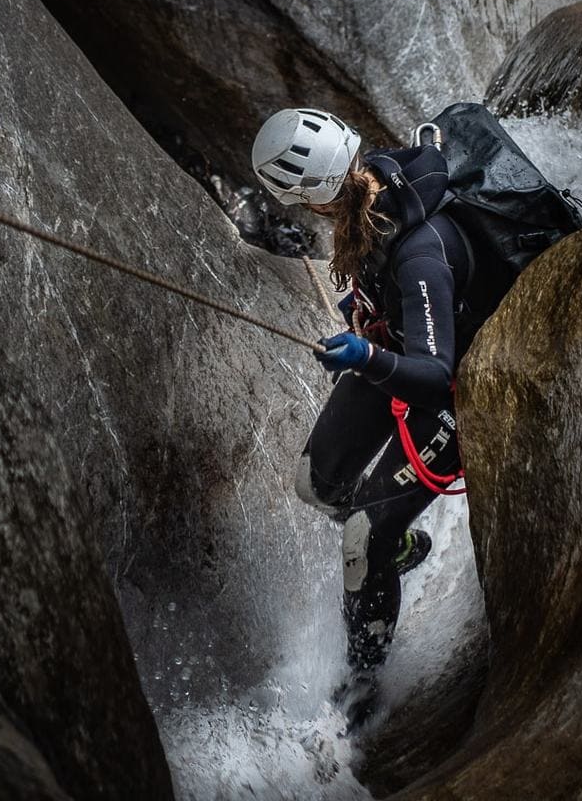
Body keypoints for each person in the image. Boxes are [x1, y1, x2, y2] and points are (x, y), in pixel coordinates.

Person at [251, 106, 471, 727]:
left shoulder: (418, 252)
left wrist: (367, 355)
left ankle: (363, 684)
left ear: (317, 199)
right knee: (316, 485)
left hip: (450, 390)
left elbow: (436, 375)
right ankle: (393, 549)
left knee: (360, 536)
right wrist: (362, 310)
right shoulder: (365, 187)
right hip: (394, 351)